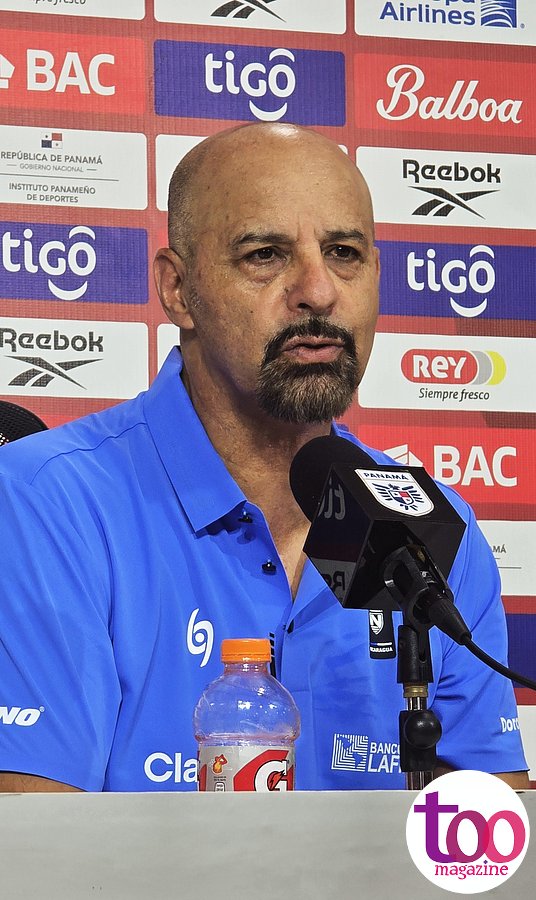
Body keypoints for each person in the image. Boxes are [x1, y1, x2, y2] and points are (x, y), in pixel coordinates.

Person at [0, 123, 528, 792]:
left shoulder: (433, 526)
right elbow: (35, 841)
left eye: (343, 253)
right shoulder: (46, 502)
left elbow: (486, 837)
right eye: (265, 255)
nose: (318, 290)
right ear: (177, 289)